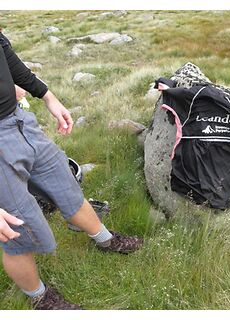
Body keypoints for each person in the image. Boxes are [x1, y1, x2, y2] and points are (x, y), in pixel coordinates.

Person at [0, 31, 143, 310]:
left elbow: (8, 59)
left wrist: (48, 97)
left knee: (66, 185)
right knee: (17, 228)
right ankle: (39, 297)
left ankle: (105, 240)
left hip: (19, 122)